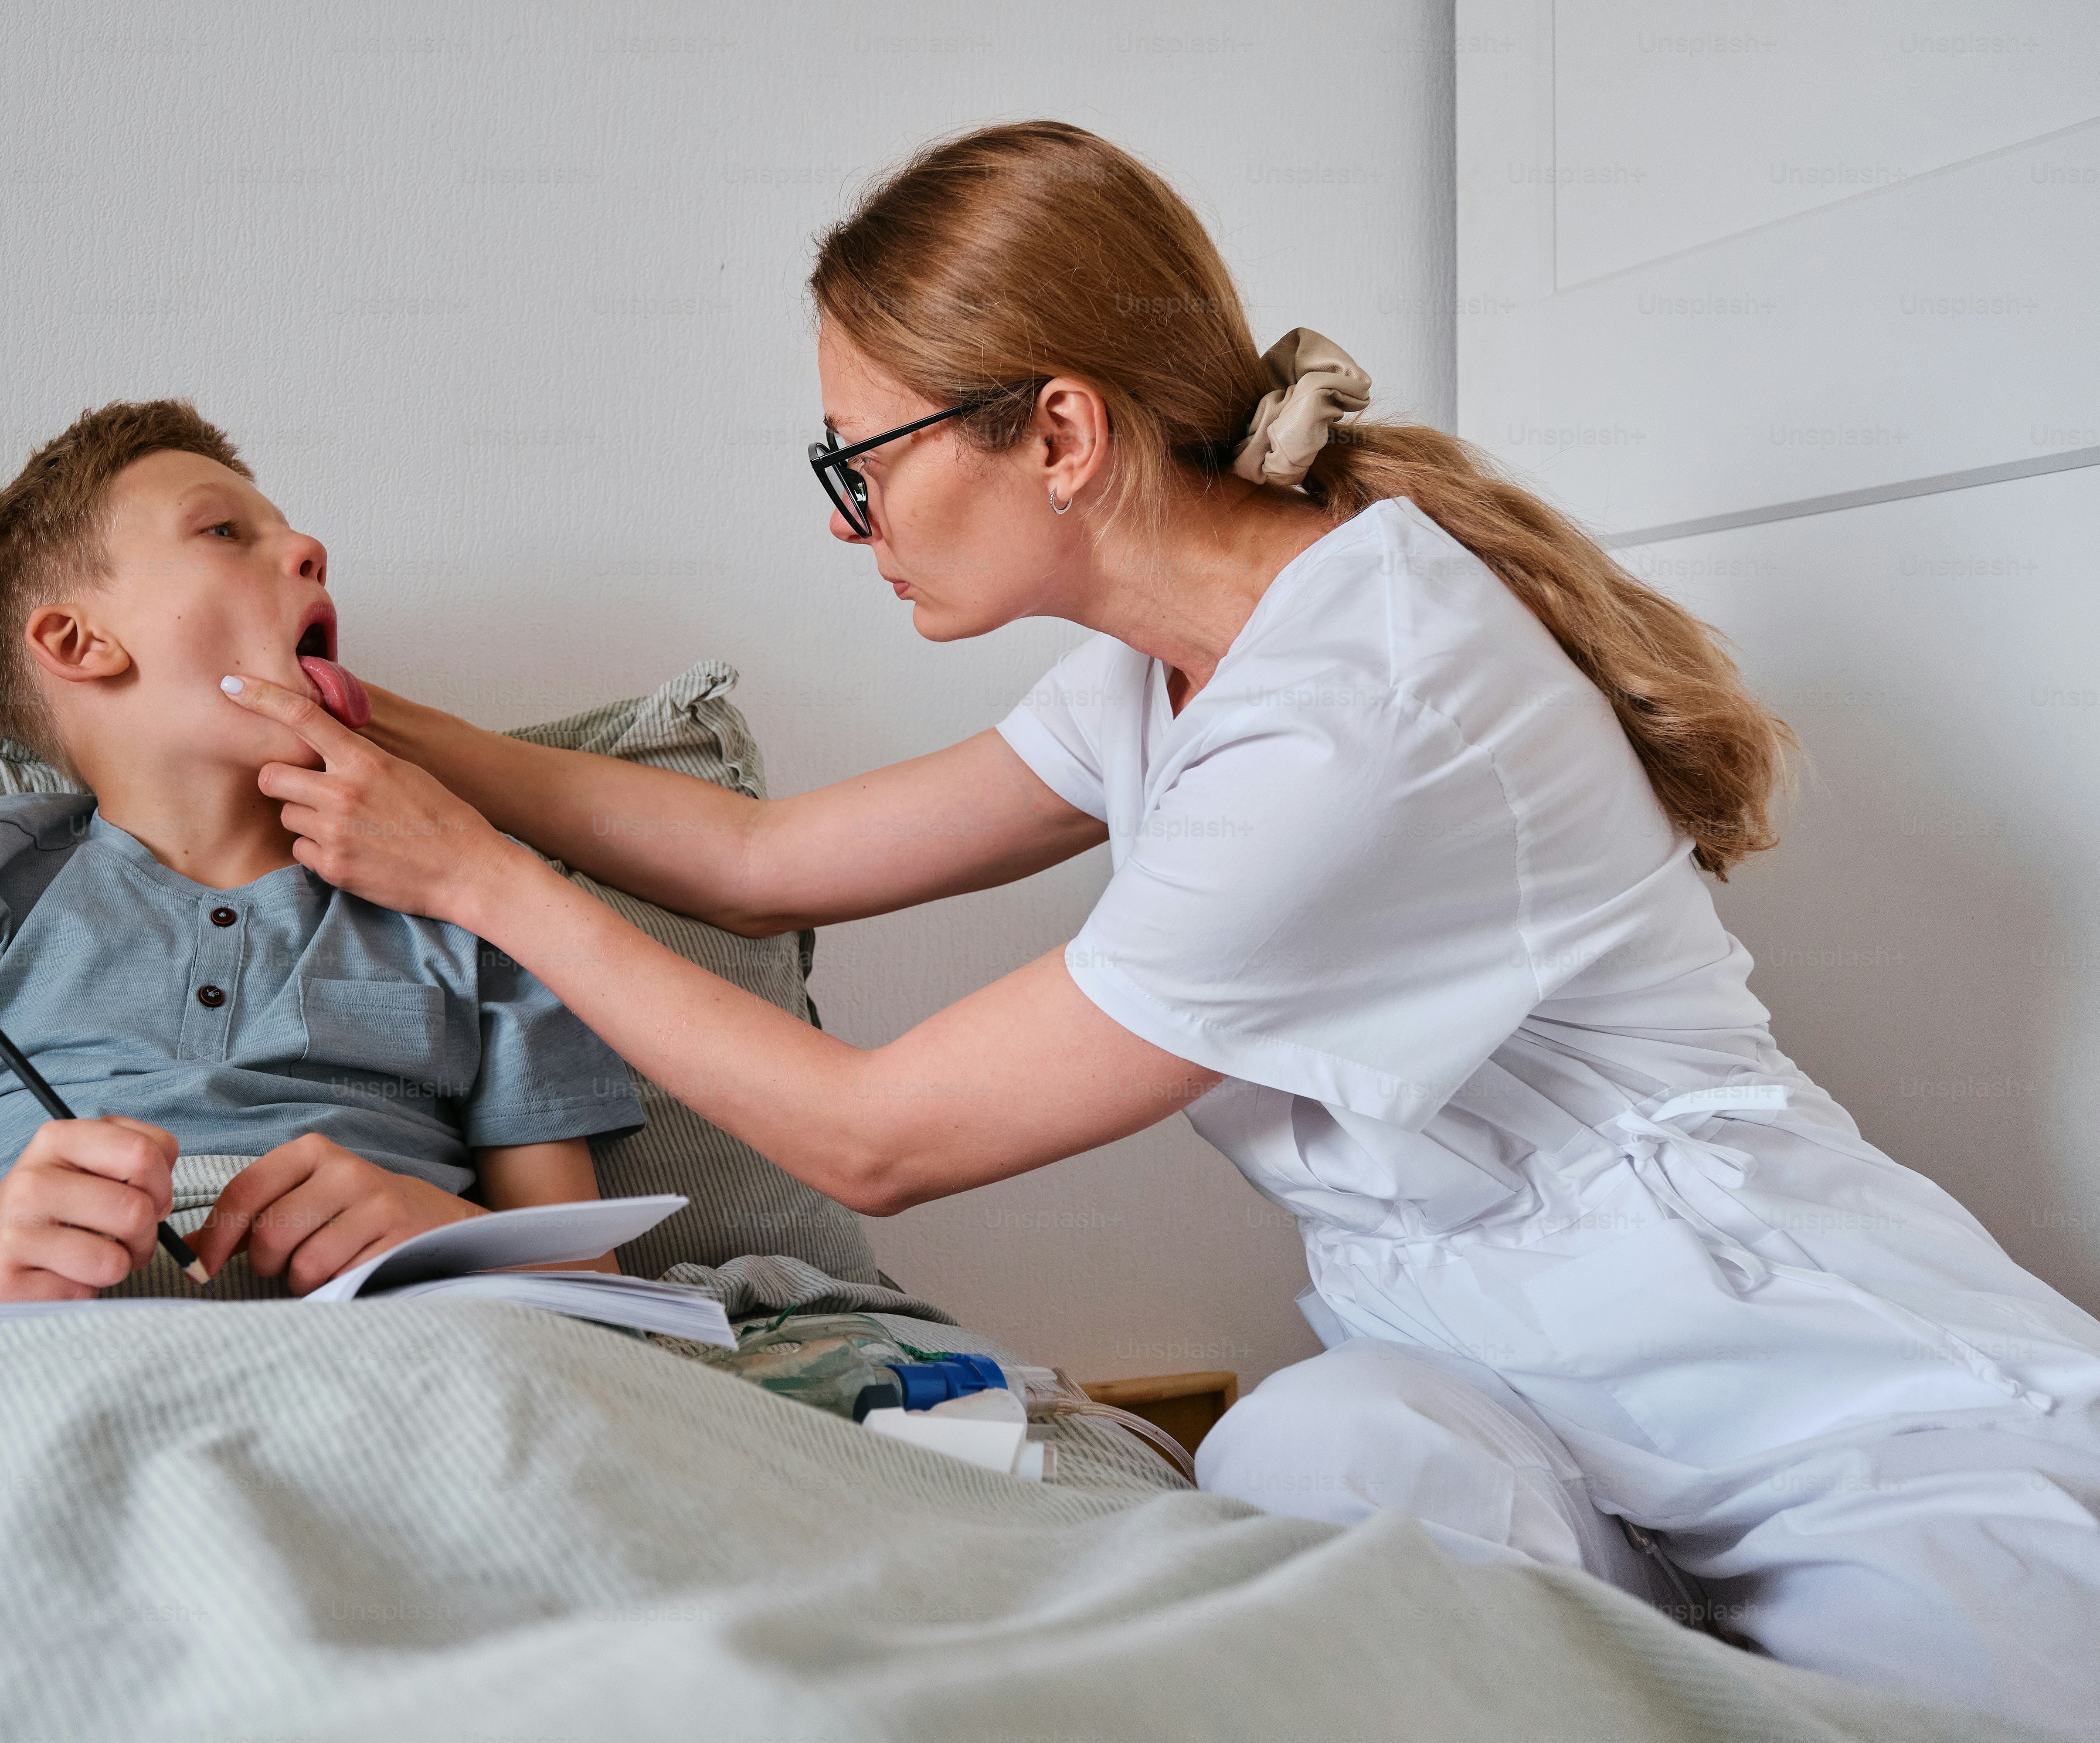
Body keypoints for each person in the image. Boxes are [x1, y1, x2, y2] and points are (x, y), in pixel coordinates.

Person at [209, 122, 2100, 1730]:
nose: (849, 513)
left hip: (1803, 1396)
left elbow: (884, 1136)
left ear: (1057, 431)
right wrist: (381, 736)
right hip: (1501, 1385)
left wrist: (466, 875)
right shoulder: (1173, 662)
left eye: (859, 456)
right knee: (1304, 1458)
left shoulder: (1362, 708)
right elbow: (762, 857)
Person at [0, 402, 643, 1311]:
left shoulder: (467, 890)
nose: (310, 551)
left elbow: (592, 1286)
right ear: (78, 640)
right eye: (225, 532)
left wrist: (443, 1230)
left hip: (401, 1348)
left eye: (290, 536)